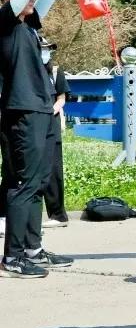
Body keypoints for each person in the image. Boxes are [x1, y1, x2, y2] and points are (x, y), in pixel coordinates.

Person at [0, 0, 77, 279]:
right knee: (23, 183)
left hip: (42, 109)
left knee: (38, 182)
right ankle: (12, 258)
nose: (33, 0)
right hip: (22, 110)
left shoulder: (30, 25)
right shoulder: (5, 23)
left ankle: (33, 248)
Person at [42, 38, 70, 227]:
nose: (46, 52)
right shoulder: (24, 70)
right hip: (30, 124)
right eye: (42, 48)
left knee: (53, 169)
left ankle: (58, 215)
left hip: (50, 123)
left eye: (48, 49)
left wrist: (52, 109)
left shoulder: (55, 71)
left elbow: (62, 98)